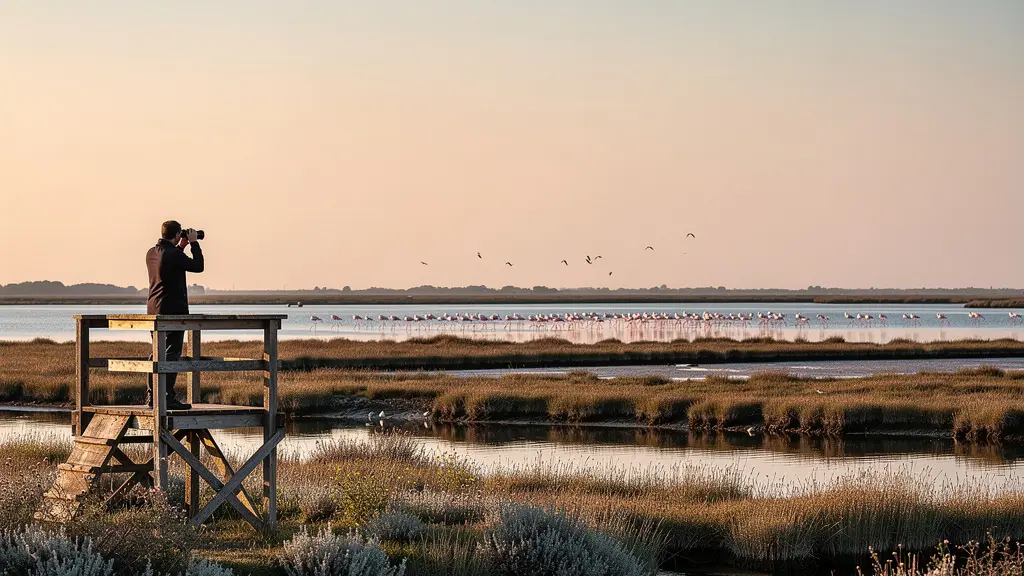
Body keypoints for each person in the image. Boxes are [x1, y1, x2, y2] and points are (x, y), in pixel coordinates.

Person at [145, 220, 204, 410]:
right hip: (172, 312)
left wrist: (180, 247)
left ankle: (152, 396)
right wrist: (194, 243)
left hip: (154, 309)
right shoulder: (173, 255)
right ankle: (167, 398)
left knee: (157, 353)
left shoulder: (152, 253)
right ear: (178, 234)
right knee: (171, 354)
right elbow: (198, 266)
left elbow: (170, 262)